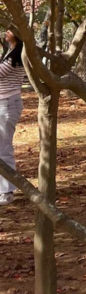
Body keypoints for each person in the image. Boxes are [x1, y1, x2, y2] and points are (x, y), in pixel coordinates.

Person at [0, 27, 25, 204]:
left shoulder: (18, 54)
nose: (6, 33)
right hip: (6, 102)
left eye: (10, 31)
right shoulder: (12, 51)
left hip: (7, 103)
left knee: (4, 147)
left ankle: (7, 191)